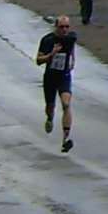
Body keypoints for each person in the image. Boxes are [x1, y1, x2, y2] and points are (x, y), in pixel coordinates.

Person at [37, 15, 77, 153]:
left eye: (67, 27)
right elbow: (38, 60)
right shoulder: (47, 40)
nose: (65, 29)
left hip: (64, 76)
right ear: (56, 26)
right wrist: (51, 54)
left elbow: (71, 48)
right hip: (50, 77)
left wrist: (72, 60)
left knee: (66, 104)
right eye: (62, 27)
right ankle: (49, 117)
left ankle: (66, 138)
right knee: (50, 106)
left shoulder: (71, 38)